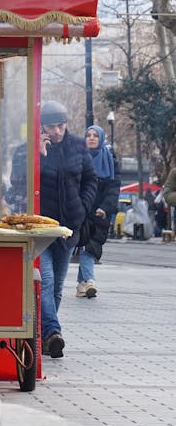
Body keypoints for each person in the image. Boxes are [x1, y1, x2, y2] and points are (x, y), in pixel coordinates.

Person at [10, 100, 97, 359]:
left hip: (69, 228)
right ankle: (52, 331)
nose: (57, 131)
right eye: (51, 126)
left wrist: (82, 208)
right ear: (40, 126)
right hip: (39, 228)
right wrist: (38, 157)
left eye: (61, 125)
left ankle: (46, 337)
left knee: (58, 286)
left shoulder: (78, 146)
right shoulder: (26, 150)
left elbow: (91, 179)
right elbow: (17, 184)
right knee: (45, 281)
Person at [76, 125, 121, 299]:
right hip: (80, 210)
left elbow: (113, 188)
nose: (92, 138)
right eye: (89, 135)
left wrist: (105, 208)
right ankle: (89, 280)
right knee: (85, 246)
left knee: (91, 246)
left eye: (96, 135)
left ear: (101, 138)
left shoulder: (110, 159)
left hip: (100, 213)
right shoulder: (78, 158)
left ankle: (82, 284)